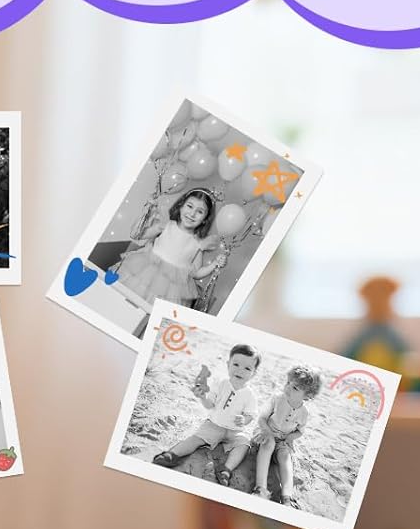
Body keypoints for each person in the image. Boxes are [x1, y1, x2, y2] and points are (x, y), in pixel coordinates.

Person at [117, 188, 226, 337]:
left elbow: (195, 273)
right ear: (181, 205)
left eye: (200, 211)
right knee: (127, 307)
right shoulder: (165, 226)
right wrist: (146, 212)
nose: (192, 213)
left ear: (205, 219)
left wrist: (214, 265)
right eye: (189, 206)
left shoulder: (198, 244)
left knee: (150, 321)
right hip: (144, 274)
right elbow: (136, 234)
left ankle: (133, 337)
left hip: (170, 291)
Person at [220, 364, 321, 501]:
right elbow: (262, 419)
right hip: (266, 431)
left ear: (307, 396)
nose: (288, 388)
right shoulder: (277, 399)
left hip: (283, 439)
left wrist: (288, 438)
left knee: (285, 456)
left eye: (295, 388)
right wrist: (267, 432)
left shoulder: (304, 413)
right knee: (268, 444)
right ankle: (260, 488)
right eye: (288, 383)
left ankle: (287, 496)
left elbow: (299, 432)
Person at [150, 345, 261, 470]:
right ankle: (172, 454)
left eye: (247, 368)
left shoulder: (250, 395)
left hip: (235, 431)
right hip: (214, 424)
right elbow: (209, 405)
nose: (240, 370)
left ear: (253, 373)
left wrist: (244, 419)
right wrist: (203, 397)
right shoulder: (220, 384)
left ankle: (227, 469)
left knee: (244, 444)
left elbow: (251, 414)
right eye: (236, 365)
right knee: (196, 439)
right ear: (228, 364)